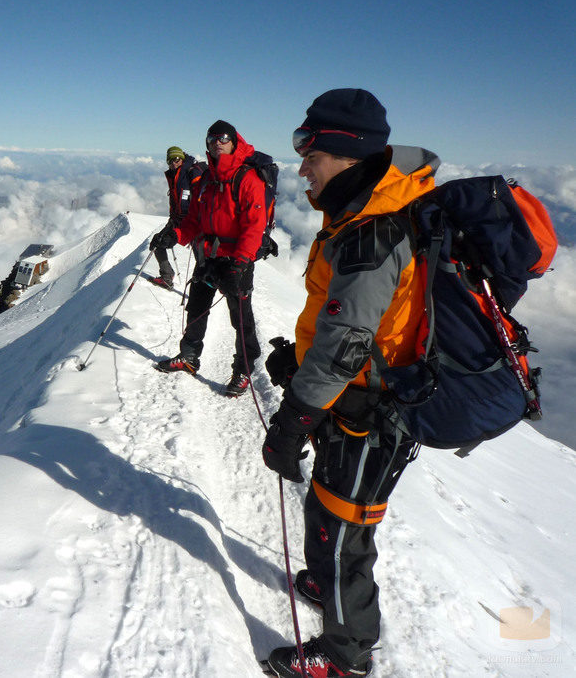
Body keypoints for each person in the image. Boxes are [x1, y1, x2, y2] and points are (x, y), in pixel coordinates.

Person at [260, 89, 440, 677]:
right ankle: (325, 582)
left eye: (309, 150)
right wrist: (302, 365)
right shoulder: (359, 216)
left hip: (372, 412)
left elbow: (345, 346)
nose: (301, 164)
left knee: (344, 531)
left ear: (346, 153)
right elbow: (347, 329)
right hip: (357, 398)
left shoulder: (373, 232)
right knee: (329, 510)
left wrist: (293, 418)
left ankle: (346, 657)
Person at [151, 121, 268, 397]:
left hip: (236, 259)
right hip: (210, 256)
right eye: (212, 138)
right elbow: (195, 219)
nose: (218, 142)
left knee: (240, 319)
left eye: (224, 138)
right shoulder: (207, 178)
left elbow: (255, 224)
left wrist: (241, 262)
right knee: (196, 306)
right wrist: (174, 236)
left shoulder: (247, 177)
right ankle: (189, 357)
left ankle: (244, 370)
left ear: (234, 142)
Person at [150, 146, 206, 290]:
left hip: (195, 223)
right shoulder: (174, 175)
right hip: (177, 220)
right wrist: (172, 218)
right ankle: (167, 277)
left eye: (176, 159)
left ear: (182, 159)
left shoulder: (191, 173)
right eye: (170, 160)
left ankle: (203, 293)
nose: (173, 163)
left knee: (202, 260)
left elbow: (202, 199)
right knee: (157, 242)